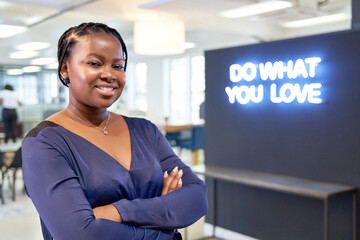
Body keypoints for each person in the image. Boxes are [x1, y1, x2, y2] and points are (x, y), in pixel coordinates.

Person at [22, 22, 208, 240]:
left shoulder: (145, 130)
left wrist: (117, 212)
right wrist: (165, 221)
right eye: (94, 63)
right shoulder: (44, 142)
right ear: (65, 69)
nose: (109, 74)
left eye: (118, 66)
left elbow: (197, 196)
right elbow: (80, 235)